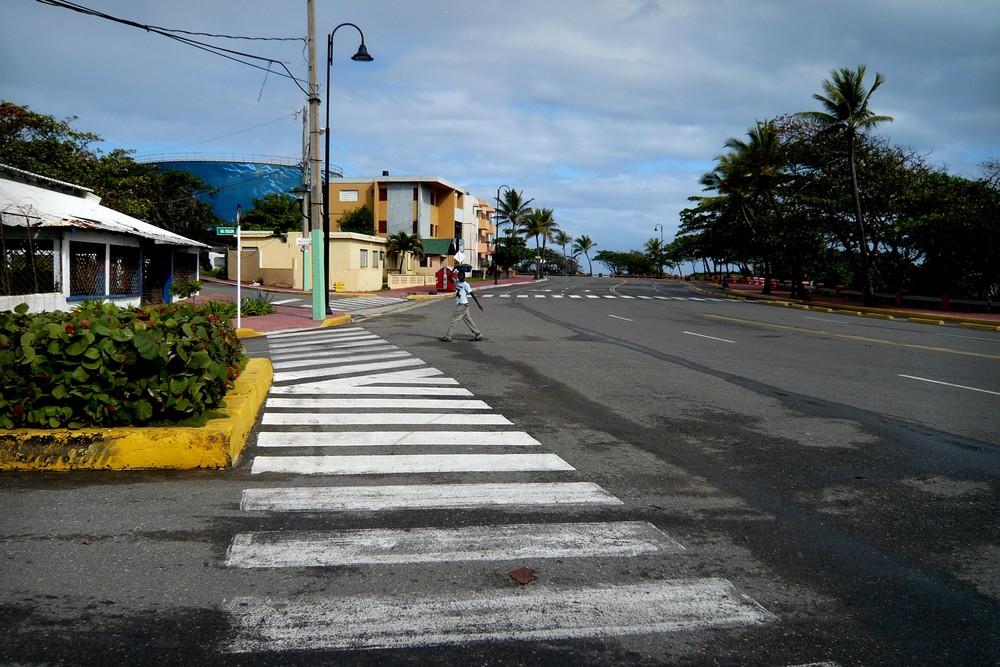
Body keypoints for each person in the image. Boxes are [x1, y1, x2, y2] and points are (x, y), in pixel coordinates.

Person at [440, 269, 484, 341]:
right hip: (464, 306)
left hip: (462, 305)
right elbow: (449, 278)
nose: (460, 277)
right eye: (459, 275)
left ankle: (448, 336)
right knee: (469, 321)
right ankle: (478, 334)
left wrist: (478, 304)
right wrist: (454, 269)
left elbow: (472, 294)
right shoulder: (457, 282)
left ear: (464, 276)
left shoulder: (466, 285)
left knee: (453, 320)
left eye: (461, 275)